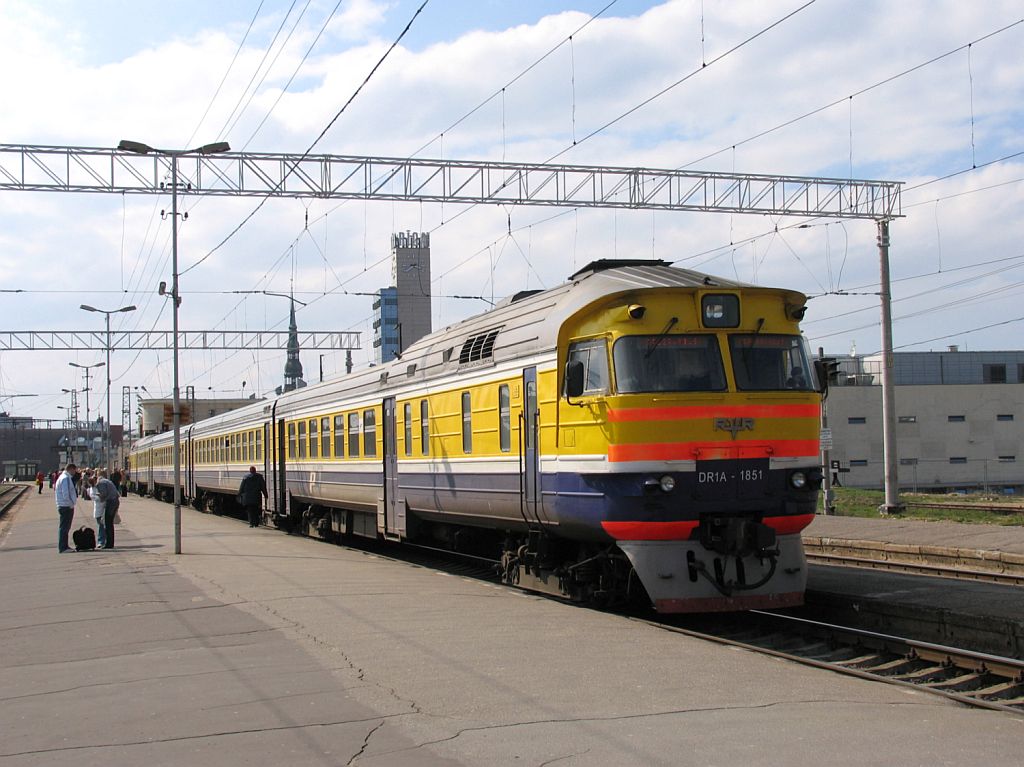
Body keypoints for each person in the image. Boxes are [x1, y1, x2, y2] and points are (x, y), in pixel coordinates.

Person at [54, 462, 78, 553]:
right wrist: (71, 504)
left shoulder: (62, 477)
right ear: (71, 469)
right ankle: (63, 547)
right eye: (74, 470)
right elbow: (66, 493)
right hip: (66, 506)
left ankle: (64, 546)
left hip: (62, 505)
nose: (75, 473)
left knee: (64, 527)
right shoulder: (65, 478)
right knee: (65, 527)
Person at [94, 470, 120, 549]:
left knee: (107, 523)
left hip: (111, 502)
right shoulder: (107, 481)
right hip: (115, 501)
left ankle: (109, 544)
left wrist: (98, 496)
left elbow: (104, 494)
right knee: (109, 523)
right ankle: (110, 543)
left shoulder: (100, 483)